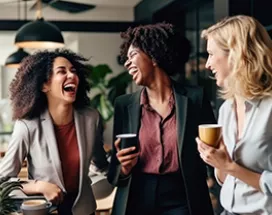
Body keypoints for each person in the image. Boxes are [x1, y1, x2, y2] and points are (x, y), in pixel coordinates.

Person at [107, 23, 215, 215]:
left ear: (154, 56)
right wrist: (123, 168)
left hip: (184, 197)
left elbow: (212, 151)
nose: (126, 63)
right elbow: (115, 171)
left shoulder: (195, 98)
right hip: (137, 195)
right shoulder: (124, 104)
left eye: (132, 55)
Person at [0, 49, 108, 215]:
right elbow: (3, 182)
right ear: (44, 85)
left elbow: (100, 164)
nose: (71, 76)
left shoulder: (91, 118)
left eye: (73, 71)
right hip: (46, 210)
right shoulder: (27, 126)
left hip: (84, 210)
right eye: (62, 71)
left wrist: (120, 164)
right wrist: (39, 186)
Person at [196, 15, 272, 215]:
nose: (207, 64)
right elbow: (224, 179)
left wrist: (229, 166)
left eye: (212, 54)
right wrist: (216, 160)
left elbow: (231, 170)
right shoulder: (226, 109)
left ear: (236, 54)